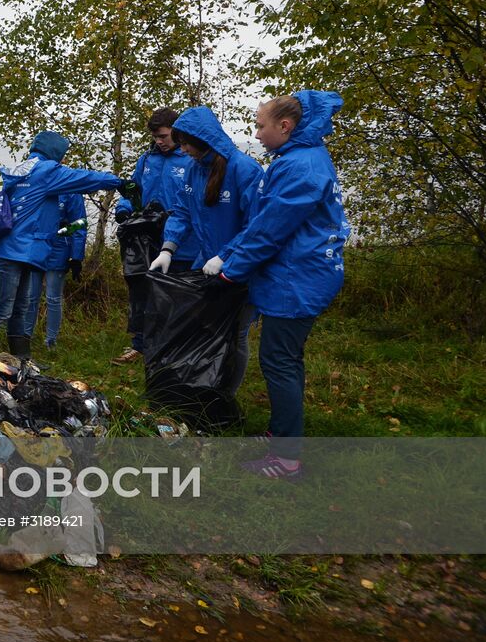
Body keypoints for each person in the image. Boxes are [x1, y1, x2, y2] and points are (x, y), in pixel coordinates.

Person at [210, 92, 349, 480]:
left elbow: (271, 231)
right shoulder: (296, 159)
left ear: (284, 126)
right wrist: (230, 255)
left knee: (280, 362)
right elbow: (262, 221)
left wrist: (230, 270)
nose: (257, 133)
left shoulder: (300, 166)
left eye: (260, 125)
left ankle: (287, 458)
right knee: (284, 359)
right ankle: (282, 432)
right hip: (297, 273)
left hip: (298, 278)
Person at [0, 131, 129, 358]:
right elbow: (85, 180)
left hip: (22, 249)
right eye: (62, 155)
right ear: (56, 153)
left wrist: (73, 252)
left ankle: (22, 360)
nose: (63, 161)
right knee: (4, 308)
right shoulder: (47, 172)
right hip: (17, 250)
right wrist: (118, 182)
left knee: (20, 308)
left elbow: (77, 222)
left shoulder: (23, 170)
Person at [147, 106, 263, 397]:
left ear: (202, 139)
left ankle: (225, 395)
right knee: (206, 327)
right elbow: (182, 212)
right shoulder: (193, 169)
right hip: (206, 264)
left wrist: (227, 255)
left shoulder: (244, 169)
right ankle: (203, 385)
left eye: (185, 142)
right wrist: (168, 249)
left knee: (235, 333)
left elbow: (256, 225)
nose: (181, 148)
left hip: (241, 267)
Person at [112, 108, 196, 366]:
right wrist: (124, 209)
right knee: (144, 293)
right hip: (148, 240)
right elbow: (133, 190)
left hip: (182, 242)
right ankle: (140, 346)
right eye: (156, 137)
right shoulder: (147, 159)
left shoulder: (192, 159)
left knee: (176, 297)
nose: (159, 141)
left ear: (178, 132)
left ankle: (173, 350)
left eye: (164, 136)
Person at [22, 192, 86, 351]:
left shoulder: (71, 192)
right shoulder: (39, 186)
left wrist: (76, 257)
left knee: (53, 298)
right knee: (30, 297)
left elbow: (79, 223)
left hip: (59, 248)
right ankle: (24, 338)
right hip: (36, 246)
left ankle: (51, 341)